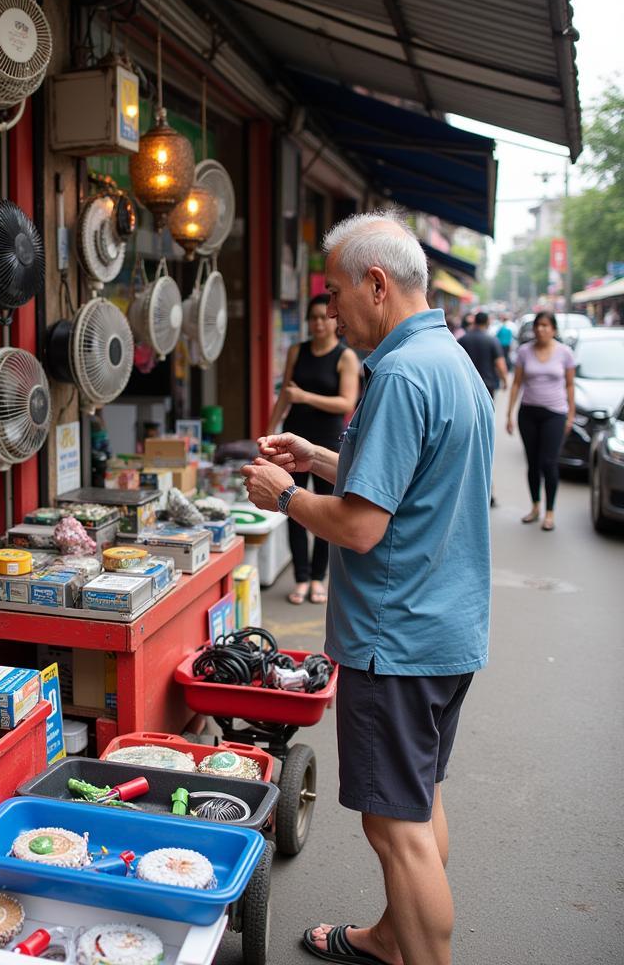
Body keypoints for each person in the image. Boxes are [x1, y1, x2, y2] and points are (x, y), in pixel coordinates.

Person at [241, 210, 493, 965]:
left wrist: (284, 494)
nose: (333, 309)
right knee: (418, 803)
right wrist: (319, 457)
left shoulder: (399, 374)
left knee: (394, 827)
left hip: (397, 640)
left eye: (337, 291)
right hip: (447, 630)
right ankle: (391, 937)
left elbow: (358, 528)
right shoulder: (450, 362)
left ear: (376, 284)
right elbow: (406, 484)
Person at [267, 294, 360, 605]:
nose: (319, 323)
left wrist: (305, 396)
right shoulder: (298, 350)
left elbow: (346, 403)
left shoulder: (345, 356)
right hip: (295, 435)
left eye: (324, 317)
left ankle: (320, 577)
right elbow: (285, 396)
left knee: (324, 510)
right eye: (313, 318)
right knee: (290, 506)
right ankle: (302, 577)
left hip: (328, 443)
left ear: (333, 320)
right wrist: (269, 430)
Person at [505, 309, 575, 532]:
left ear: (553, 329)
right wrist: (509, 413)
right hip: (528, 413)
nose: (541, 329)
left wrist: (570, 415)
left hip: (555, 414)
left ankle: (550, 512)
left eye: (545, 326)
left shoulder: (565, 353)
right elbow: (516, 383)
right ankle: (535, 506)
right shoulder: (525, 352)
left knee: (549, 462)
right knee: (533, 463)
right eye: (538, 325)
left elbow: (570, 385)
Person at [458, 310, 508, 398]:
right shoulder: (492, 340)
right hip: (487, 384)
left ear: (475, 322)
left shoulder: (462, 340)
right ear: (487, 322)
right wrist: (504, 380)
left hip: (467, 384)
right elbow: (500, 363)